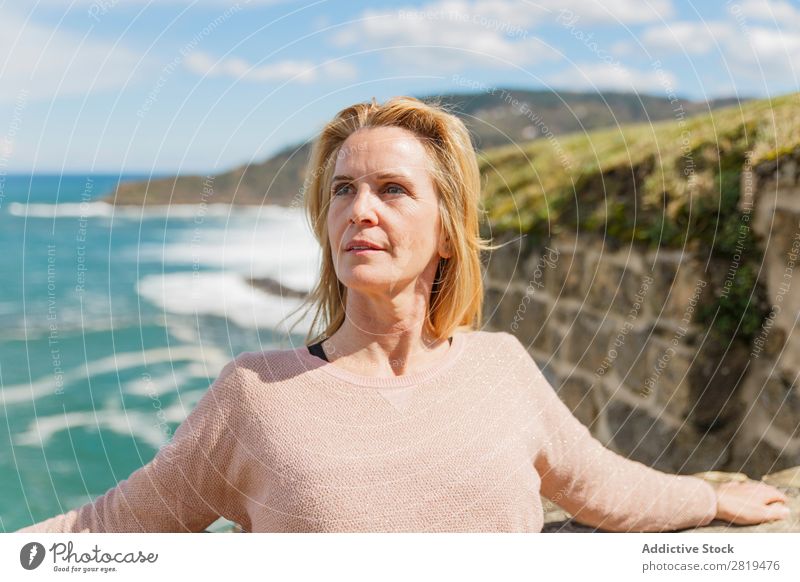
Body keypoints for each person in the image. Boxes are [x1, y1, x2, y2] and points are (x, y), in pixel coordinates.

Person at [16, 96, 790, 533]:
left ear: (448, 231)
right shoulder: (253, 394)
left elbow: (605, 487)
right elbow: (107, 528)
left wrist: (711, 496)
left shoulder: (502, 368)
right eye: (342, 191)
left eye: (392, 190)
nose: (360, 211)